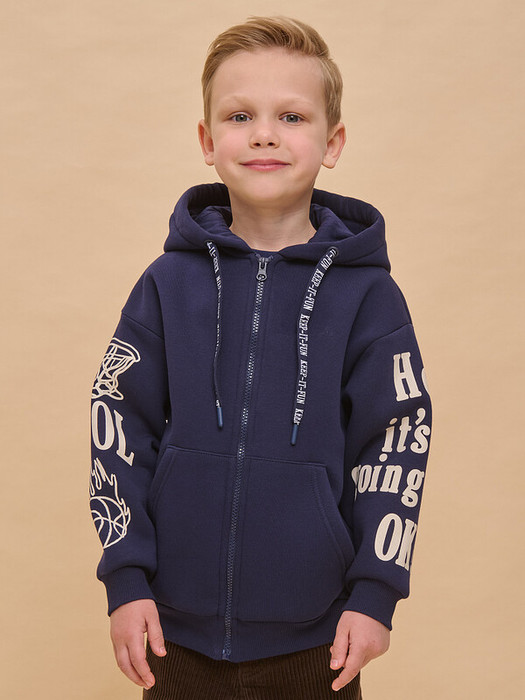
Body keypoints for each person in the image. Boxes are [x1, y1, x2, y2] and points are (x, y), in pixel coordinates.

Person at [90, 16, 432, 699]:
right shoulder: (167, 284)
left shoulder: (369, 297)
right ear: (206, 140)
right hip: (172, 633)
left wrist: (375, 594)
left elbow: (396, 443)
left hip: (316, 639)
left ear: (332, 143)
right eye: (240, 115)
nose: (265, 134)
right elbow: (117, 424)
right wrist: (126, 579)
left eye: (292, 116)